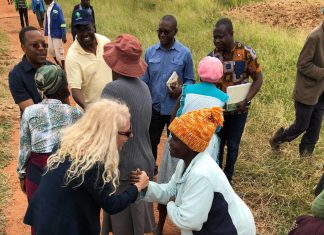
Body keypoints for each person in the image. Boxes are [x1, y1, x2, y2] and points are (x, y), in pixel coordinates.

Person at [23, 99, 150, 235]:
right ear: (109, 133)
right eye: (126, 132)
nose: (131, 136)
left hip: (45, 216)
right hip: (64, 226)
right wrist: (137, 187)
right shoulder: (92, 163)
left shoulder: (67, 143)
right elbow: (112, 205)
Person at [132, 107, 256, 235]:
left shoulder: (201, 174)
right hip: (217, 224)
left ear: (190, 144)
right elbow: (170, 191)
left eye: (175, 138)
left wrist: (170, 204)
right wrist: (145, 187)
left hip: (231, 229)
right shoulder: (185, 163)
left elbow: (188, 221)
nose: (169, 141)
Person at [155, 56, 228, 234]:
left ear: (199, 74)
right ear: (219, 78)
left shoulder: (187, 90)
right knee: (199, 187)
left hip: (180, 141)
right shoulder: (223, 98)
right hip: (206, 146)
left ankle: (160, 225)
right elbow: (219, 127)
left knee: (169, 181)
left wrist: (175, 136)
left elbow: (173, 120)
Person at [101, 34, 155, 235]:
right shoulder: (144, 87)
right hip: (143, 161)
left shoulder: (111, 89)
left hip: (123, 166)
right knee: (137, 224)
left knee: (123, 225)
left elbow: (104, 132)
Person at [18, 64, 82, 235]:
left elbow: (25, 147)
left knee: (40, 221)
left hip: (36, 174)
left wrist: (22, 175)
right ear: (61, 86)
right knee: (65, 219)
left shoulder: (29, 112)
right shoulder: (74, 113)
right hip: (65, 172)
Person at [209, 18, 263, 183]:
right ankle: (216, 176)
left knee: (233, 145)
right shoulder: (212, 57)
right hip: (219, 111)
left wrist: (246, 99)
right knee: (217, 143)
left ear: (231, 34)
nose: (217, 40)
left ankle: (228, 176)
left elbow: (258, 79)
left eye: (221, 37)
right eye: (215, 37)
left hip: (240, 110)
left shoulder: (246, 53)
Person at [142, 15, 195, 175]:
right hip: (155, 108)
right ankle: (151, 170)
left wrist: (181, 90)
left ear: (175, 32)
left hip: (175, 110)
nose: (162, 35)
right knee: (151, 141)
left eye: (167, 32)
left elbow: (190, 81)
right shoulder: (150, 52)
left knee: (176, 144)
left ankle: (173, 173)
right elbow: (144, 81)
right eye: (160, 31)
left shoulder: (185, 53)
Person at [269, 20, 324, 157]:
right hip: (307, 92)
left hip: (321, 93)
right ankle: (277, 139)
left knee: (315, 127)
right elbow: (302, 64)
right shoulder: (314, 36)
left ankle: (306, 156)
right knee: (301, 125)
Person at [66, 9, 112, 110]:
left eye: (87, 28)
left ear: (93, 26)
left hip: (111, 107)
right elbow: (75, 90)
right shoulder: (72, 56)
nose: (84, 33)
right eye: (80, 30)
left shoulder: (106, 42)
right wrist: (89, 110)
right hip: (91, 111)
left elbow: (115, 68)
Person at [9, 26, 51, 113]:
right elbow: (33, 114)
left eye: (44, 44)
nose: (41, 48)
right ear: (23, 48)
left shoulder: (55, 70)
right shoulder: (16, 75)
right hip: (34, 125)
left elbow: (65, 103)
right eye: (35, 45)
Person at [44, 0, 67, 69]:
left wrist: (64, 35)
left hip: (57, 34)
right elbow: (48, 21)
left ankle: (63, 68)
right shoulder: (48, 8)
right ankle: (58, 64)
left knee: (59, 52)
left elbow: (62, 22)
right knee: (51, 51)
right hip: (50, 33)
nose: (44, 1)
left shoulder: (57, 8)